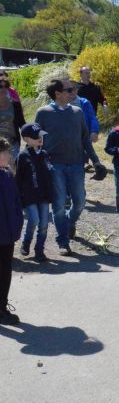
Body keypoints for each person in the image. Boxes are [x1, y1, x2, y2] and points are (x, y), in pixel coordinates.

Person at [35, 78, 105, 255]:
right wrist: (36, 164)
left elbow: (85, 139)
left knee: (80, 201)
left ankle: (68, 223)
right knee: (59, 205)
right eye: (69, 89)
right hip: (54, 164)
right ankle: (63, 241)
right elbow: (35, 141)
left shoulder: (77, 112)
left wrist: (96, 161)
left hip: (76, 163)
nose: (74, 91)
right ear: (58, 94)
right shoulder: (43, 113)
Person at [15, 123, 53, 262]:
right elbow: (18, 179)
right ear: (26, 139)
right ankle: (26, 243)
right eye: (36, 137)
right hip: (29, 197)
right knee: (34, 220)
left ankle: (39, 250)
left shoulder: (44, 154)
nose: (40, 139)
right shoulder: (22, 156)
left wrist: (52, 193)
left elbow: (49, 175)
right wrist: (18, 198)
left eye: (41, 136)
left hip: (43, 196)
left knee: (44, 224)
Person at [0, 137, 23, 325]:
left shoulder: (7, 174)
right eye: (6, 152)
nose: (10, 155)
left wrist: (17, 223)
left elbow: (15, 201)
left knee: (5, 270)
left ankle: (1, 307)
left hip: (7, 234)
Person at [0, 74, 26, 161]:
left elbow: (22, 122)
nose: (3, 89)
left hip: (13, 143)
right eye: (0, 86)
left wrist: (30, 135)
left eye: (6, 86)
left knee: (12, 169)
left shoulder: (15, 104)